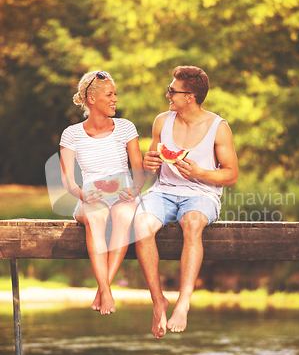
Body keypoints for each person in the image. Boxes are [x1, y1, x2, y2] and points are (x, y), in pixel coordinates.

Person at [134, 65, 238, 338]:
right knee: (140, 226)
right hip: (163, 191)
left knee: (191, 224)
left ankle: (183, 302)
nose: (167, 94)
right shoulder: (161, 121)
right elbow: (151, 171)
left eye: (172, 91)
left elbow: (231, 173)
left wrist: (200, 173)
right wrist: (148, 163)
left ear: (190, 96)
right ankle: (159, 301)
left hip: (202, 194)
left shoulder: (218, 127)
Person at [60, 71, 144, 315]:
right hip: (90, 197)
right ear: (92, 98)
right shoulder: (71, 134)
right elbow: (67, 180)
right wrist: (83, 195)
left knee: (124, 217)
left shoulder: (126, 127)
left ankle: (102, 290)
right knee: (96, 218)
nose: (115, 99)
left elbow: (138, 171)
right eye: (110, 94)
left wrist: (135, 189)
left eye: (115, 94)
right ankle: (107, 291)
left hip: (124, 194)